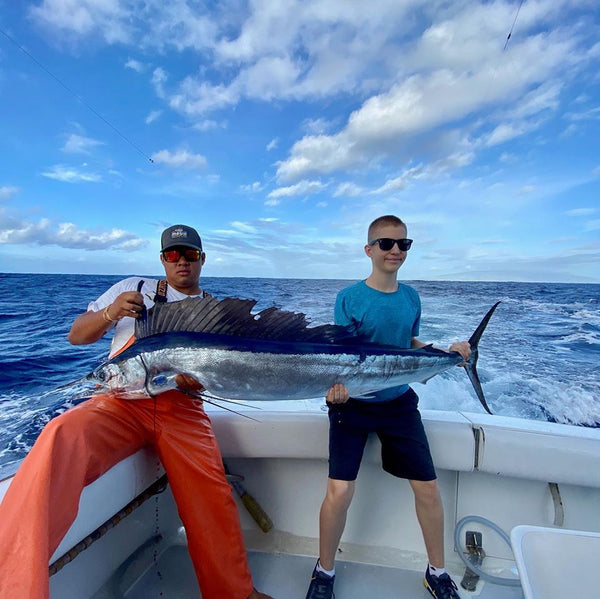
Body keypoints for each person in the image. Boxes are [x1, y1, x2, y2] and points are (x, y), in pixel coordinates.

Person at [0, 224, 272, 599]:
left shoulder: (215, 311)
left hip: (183, 410)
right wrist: (110, 313)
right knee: (59, 436)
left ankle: (236, 594)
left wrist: (198, 381)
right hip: (120, 402)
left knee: (212, 495)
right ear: (162, 259)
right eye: (173, 255)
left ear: (202, 259)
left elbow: (220, 374)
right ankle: (14, 588)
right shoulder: (134, 288)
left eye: (190, 255)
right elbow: (77, 335)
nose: (182, 262)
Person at [305, 215, 468, 599]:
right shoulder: (349, 298)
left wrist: (447, 354)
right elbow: (342, 358)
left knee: (428, 489)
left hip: (398, 403)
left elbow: (408, 343)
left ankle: (437, 572)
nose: (395, 250)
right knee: (340, 492)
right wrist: (334, 391)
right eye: (386, 244)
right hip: (353, 405)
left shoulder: (411, 297)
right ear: (369, 250)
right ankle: (324, 571)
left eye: (403, 244)